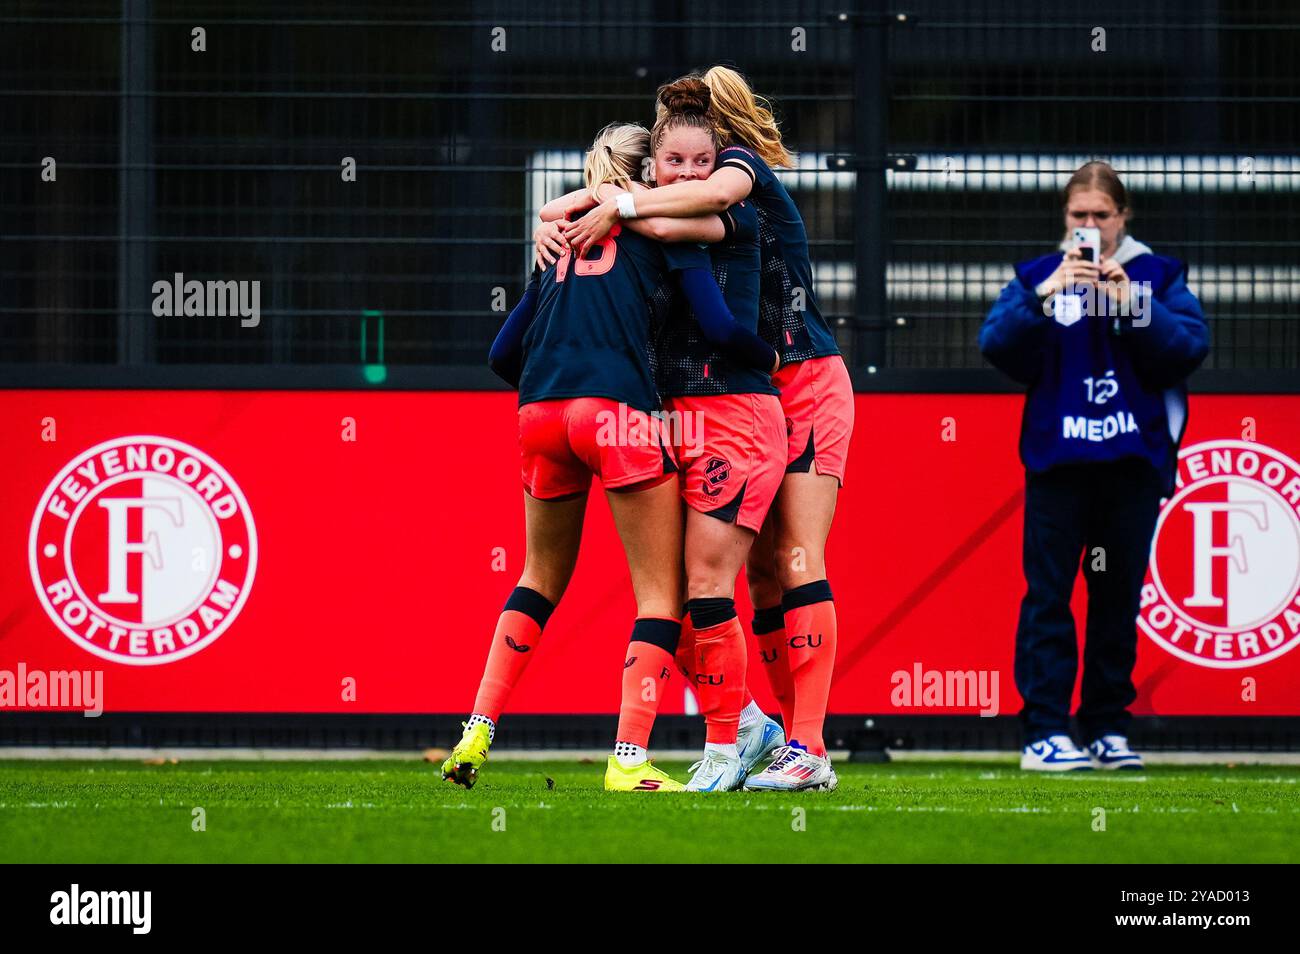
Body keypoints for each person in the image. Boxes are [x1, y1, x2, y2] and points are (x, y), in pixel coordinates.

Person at [441, 121, 777, 793]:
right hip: (618, 415)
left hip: (539, 413)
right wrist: (767, 359)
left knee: (537, 579)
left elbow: (501, 354)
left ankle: (477, 728)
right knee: (661, 594)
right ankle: (628, 758)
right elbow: (714, 324)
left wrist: (564, 383)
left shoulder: (561, 238)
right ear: (645, 178)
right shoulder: (660, 229)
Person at [563, 66, 851, 791]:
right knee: (741, 577)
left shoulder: (736, 173)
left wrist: (609, 199)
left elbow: (674, 208)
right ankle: (771, 734)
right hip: (738, 394)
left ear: (718, 133)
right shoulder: (682, 185)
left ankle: (809, 748)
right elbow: (643, 211)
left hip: (802, 378)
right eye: (670, 150)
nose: (687, 160)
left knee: (795, 558)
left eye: (696, 145)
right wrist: (587, 200)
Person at [979, 160, 1209, 771]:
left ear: (1122, 216)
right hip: (1059, 465)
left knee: (1116, 601)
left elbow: (1185, 351)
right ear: (1064, 218)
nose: (1089, 227)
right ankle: (1044, 734)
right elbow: (998, 345)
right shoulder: (1038, 276)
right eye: (1078, 216)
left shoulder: (1155, 275)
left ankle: (1108, 727)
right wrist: (1049, 291)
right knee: (1049, 597)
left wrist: (1127, 298)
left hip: (1131, 464)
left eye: (1100, 216)